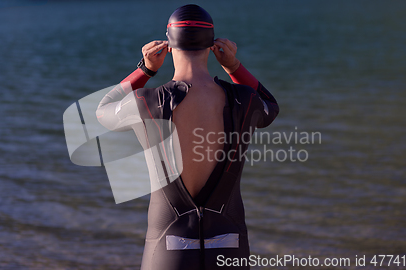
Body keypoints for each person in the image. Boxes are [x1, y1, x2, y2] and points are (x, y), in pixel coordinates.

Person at [96, 4, 279, 270]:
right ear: (213, 46)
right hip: (230, 244)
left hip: (167, 247)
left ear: (167, 46)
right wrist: (234, 66)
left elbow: (102, 111)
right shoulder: (245, 100)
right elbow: (269, 106)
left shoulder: (144, 103)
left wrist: (145, 70)